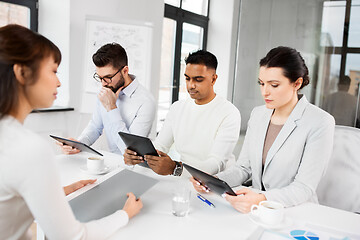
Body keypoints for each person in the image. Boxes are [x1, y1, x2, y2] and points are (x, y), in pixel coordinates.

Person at [0, 24, 142, 239]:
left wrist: (60, 192)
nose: (58, 81)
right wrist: (124, 214)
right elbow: (73, 237)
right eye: (53, 71)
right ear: (22, 72)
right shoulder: (29, 148)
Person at [191, 46, 335, 213]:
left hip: (294, 210)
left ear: (297, 83)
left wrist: (262, 199)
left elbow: (303, 187)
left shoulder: (320, 122)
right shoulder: (258, 114)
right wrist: (213, 181)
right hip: (255, 209)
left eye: (274, 85)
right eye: (262, 83)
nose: (265, 92)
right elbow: (244, 168)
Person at [124, 50, 241, 176]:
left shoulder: (229, 113)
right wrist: (138, 156)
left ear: (213, 79)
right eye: (187, 79)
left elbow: (216, 163)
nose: (191, 85)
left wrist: (176, 168)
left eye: (198, 80)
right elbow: (160, 146)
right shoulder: (177, 108)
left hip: (216, 182)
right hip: (184, 176)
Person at [59, 43, 156, 155]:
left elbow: (131, 152)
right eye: (100, 78)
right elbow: (95, 127)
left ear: (125, 71)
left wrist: (112, 108)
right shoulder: (106, 89)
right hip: (111, 163)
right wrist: (78, 144)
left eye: (108, 78)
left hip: (135, 167)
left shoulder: (146, 102)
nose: (103, 84)